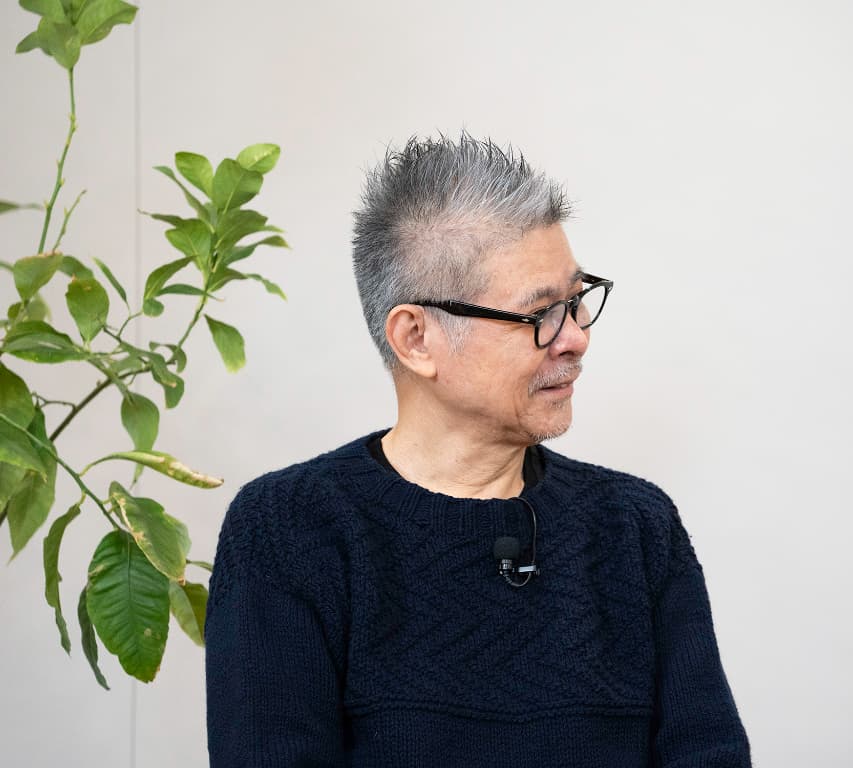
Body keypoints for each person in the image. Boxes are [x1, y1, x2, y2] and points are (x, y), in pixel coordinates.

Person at [205, 133, 751, 767]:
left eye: (576, 301)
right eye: (540, 314)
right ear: (416, 338)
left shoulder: (636, 526)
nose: (575, 338)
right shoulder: (290, 530)